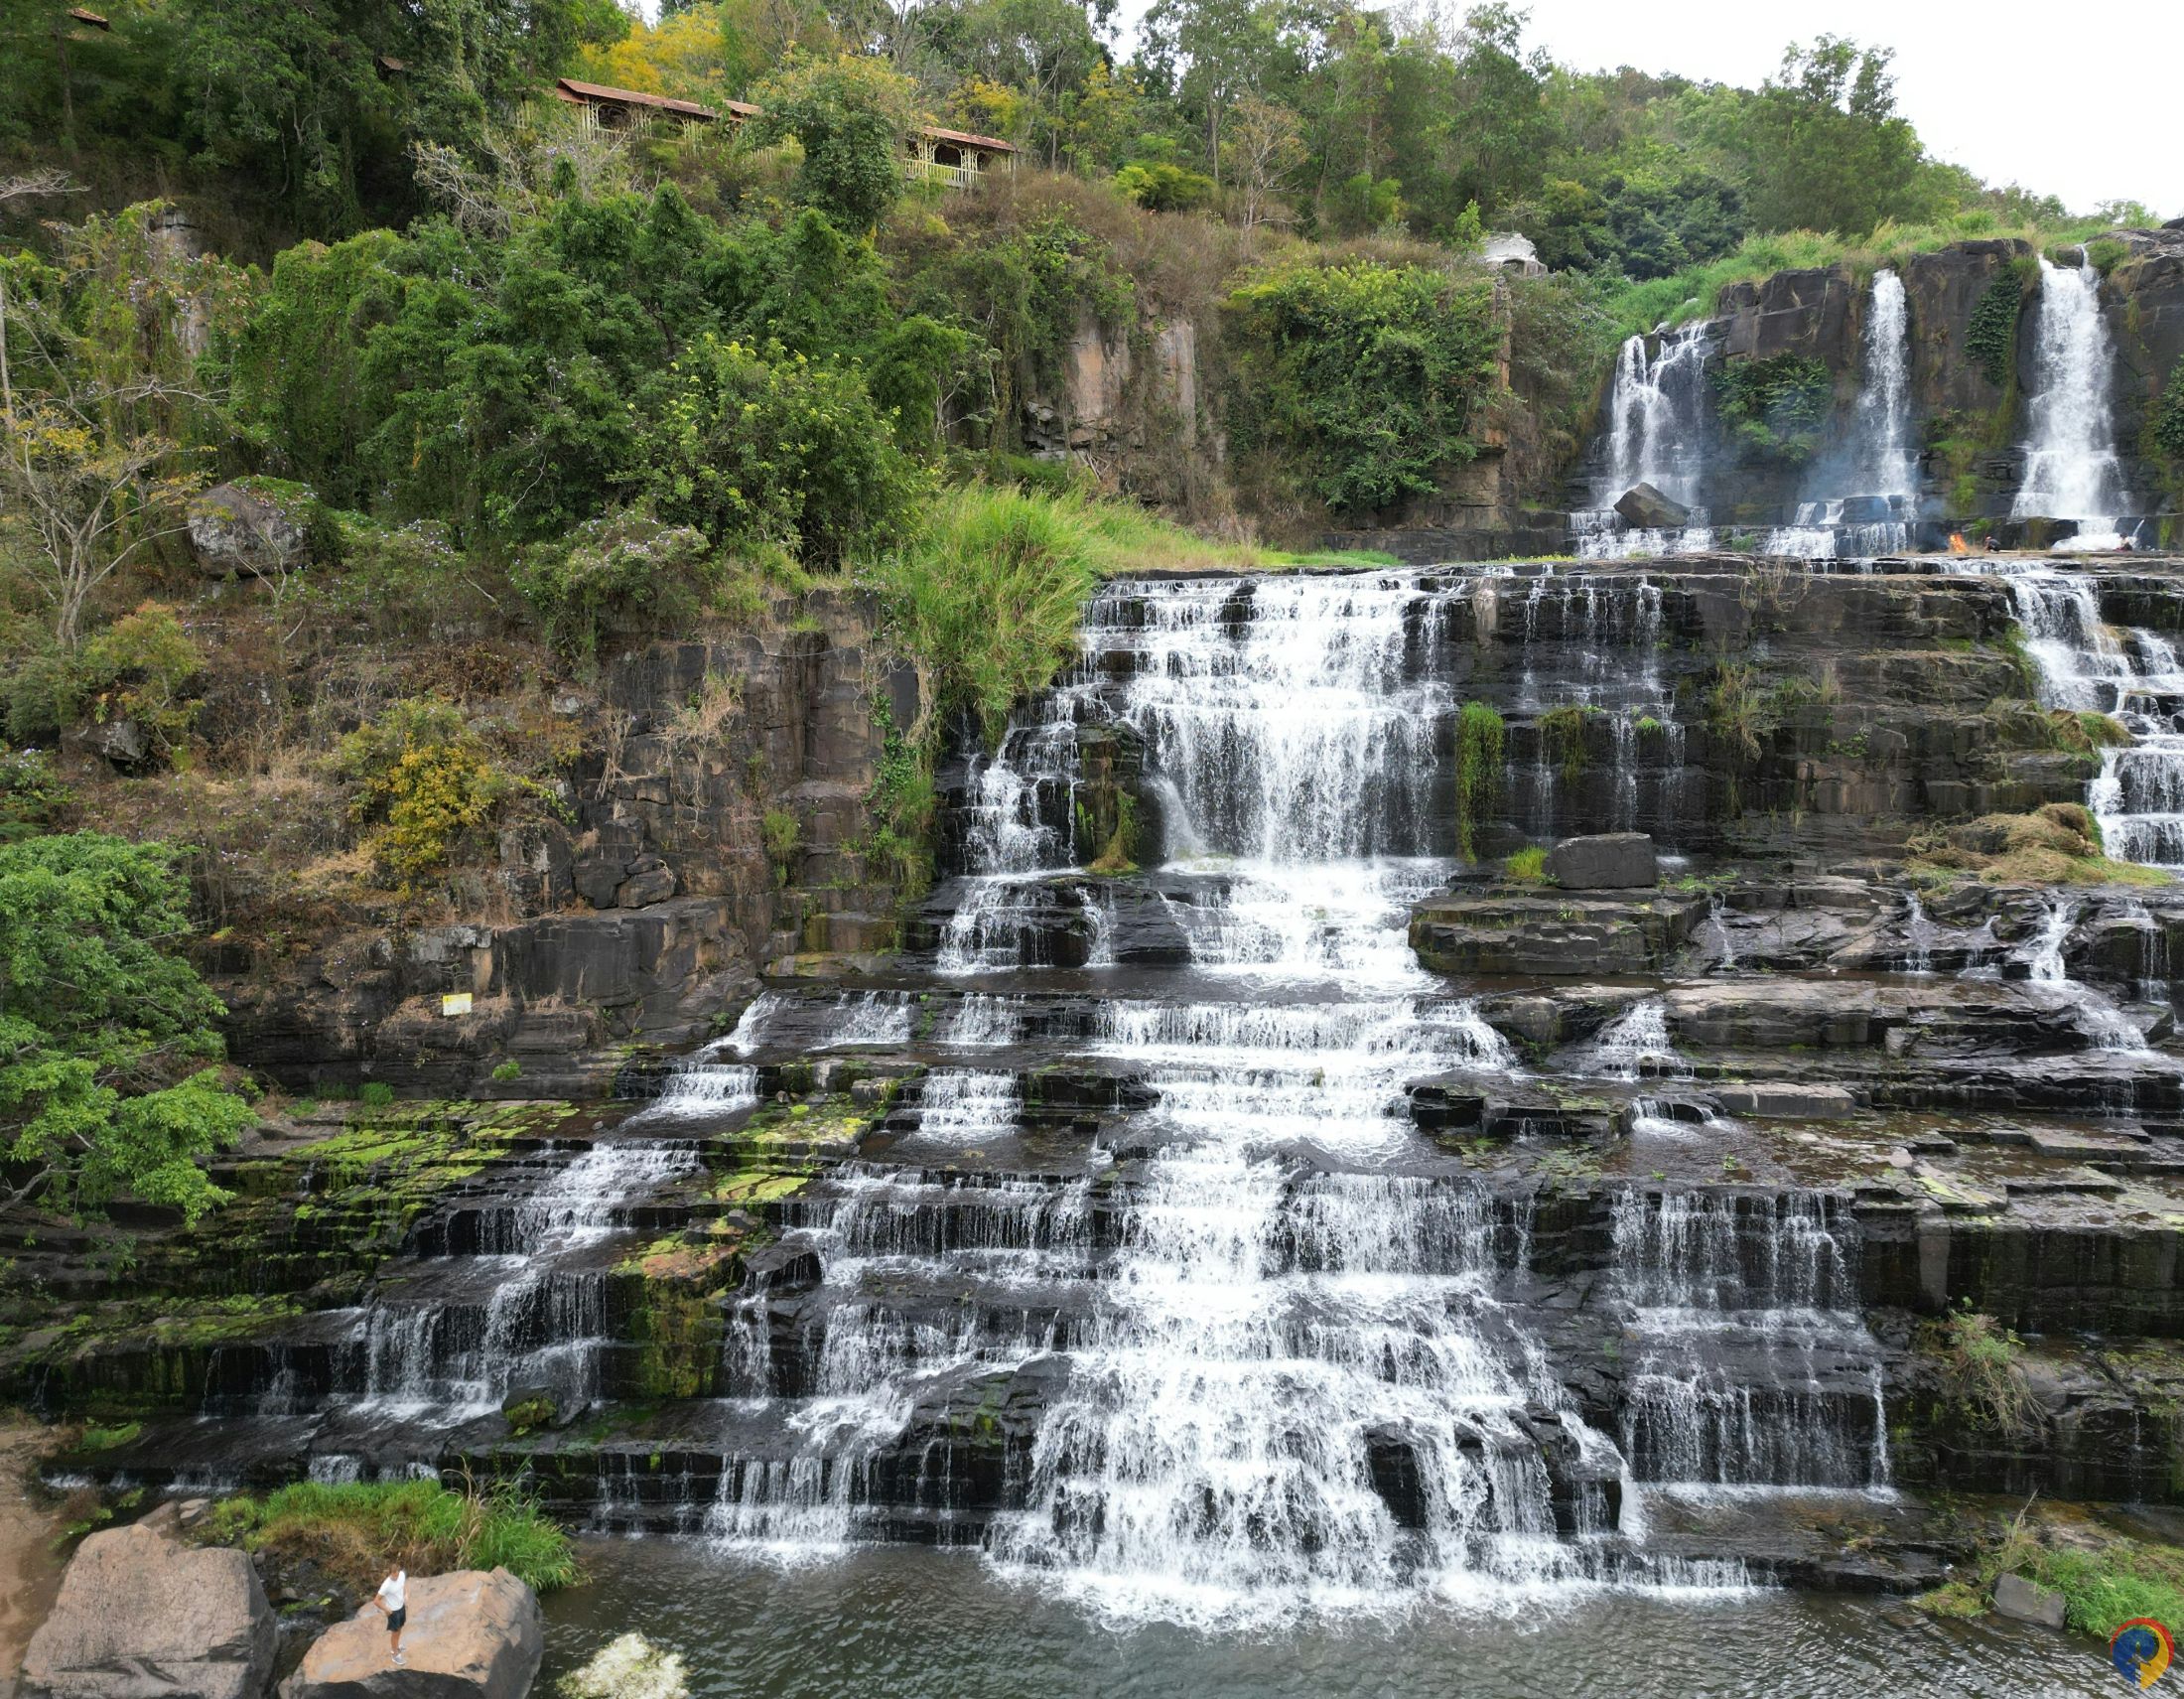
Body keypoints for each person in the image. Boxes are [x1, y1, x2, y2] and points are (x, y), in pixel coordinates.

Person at [364, 1562, 407, 1665]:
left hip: (401, 1607)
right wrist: (386, 1609)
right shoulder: (386, 1585)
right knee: (395, 1633)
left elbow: (403, 1585)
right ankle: (394, 1654)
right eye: (393, 1576)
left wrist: (406, 1594)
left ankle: (396, 1646)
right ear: (390, 1573)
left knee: (400, 1628)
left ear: (399, 1572)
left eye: (396, 1575)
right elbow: (376, 1600)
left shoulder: (401, 1575)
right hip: (393, 1612)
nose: (395, 1578)